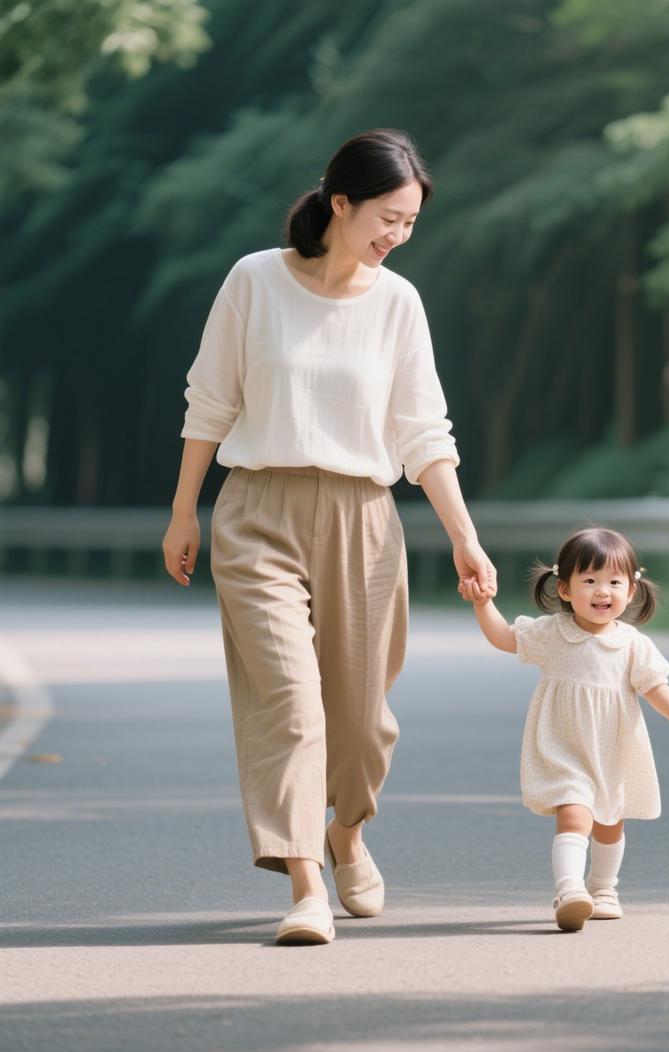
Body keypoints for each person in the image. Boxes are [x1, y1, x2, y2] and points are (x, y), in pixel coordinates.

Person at [161, 129, 495, 945]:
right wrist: (183, 510)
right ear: (339, 202)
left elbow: (424, 431)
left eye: (411, 222)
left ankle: (347, 831)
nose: (397, 234)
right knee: (290, 704)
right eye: (388, 216)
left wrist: (464, 536)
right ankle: (305, 883)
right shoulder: (255, 281)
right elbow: (210, 401)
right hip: (258, 514)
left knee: (360, 720)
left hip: (362, 521)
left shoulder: (397, 303)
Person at [464, 525, 669, 931]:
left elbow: (654, 685)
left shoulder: (632, 643)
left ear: (632, 590)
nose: (602, 591)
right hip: (563, 746)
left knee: (610, 822)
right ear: (566, 589)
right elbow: (503, 638)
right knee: (574, 814)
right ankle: (569, 889)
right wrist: (483, 604)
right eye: (589, 581)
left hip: (612, 749)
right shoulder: (553, 633)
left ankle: (604, 888)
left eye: (613, 582)